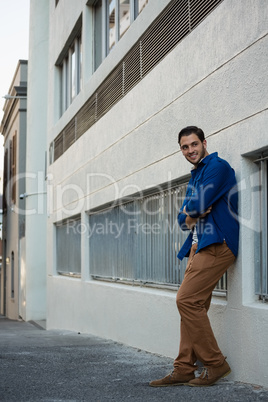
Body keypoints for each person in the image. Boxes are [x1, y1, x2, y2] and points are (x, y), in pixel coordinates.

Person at [150, 126, 239, 387]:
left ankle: (215, 363)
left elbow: (198, 206)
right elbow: (182, 220)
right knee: (192, 306)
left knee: (186, 301)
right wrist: (191, 214)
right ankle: (184, 368)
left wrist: (194, 211)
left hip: (217, 244)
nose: (190, 150)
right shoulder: (196, 176)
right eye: (184, 147)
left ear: (204, 142)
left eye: (194, 145)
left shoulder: (217, 167)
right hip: (198, 246)